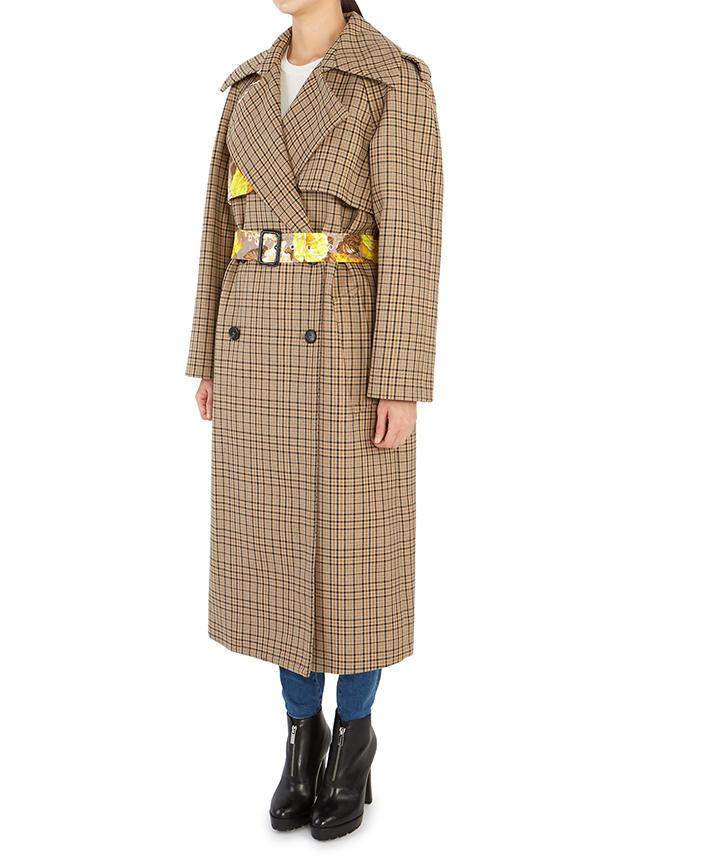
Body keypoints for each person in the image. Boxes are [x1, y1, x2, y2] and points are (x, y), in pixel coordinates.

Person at [185, 0, 443, 840]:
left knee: (356, 557)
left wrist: (400, 380)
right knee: (274, 552)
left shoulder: (393, 79)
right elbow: (216, 230)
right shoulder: (248, 86)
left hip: (347, 351)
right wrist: (208, 356)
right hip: (253, 347)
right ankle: (303, 736)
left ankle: (354, 738)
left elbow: (413, 240)